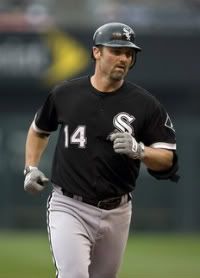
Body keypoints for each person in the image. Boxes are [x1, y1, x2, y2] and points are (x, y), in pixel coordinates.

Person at [24, 22, 179, 278]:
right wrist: (30, 167)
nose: (124, 58)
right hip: (69, 204)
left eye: (129, 53)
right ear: (96, 52)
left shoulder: (146, 104)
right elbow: (39, 130)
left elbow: (167, 159)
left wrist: (141, 151)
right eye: (116, 51)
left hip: (117, 210)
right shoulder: (66, 94)